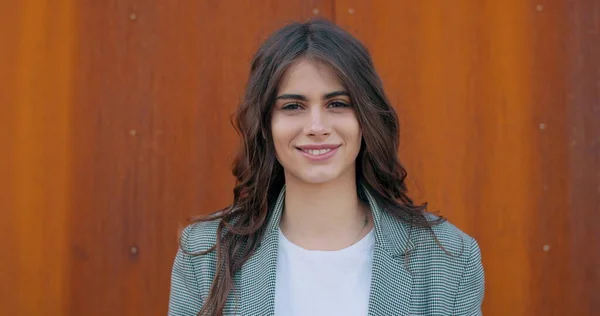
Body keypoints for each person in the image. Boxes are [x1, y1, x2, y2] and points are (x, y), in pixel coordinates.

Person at [168, 19, 484, 316]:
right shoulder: (207, 254)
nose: (317, 126)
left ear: (366, 118)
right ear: (265, 124)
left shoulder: (449, 257)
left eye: (337, 104)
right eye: (293, 106)